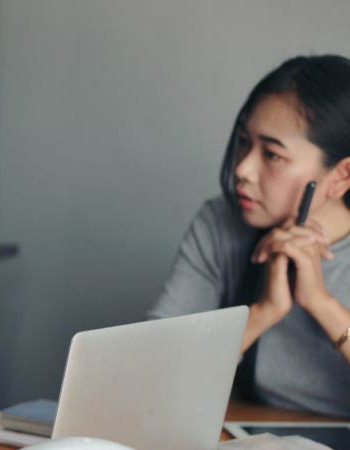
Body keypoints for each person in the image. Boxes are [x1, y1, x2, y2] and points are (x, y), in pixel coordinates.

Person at [150, 55, 350, 415]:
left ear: (341, 176)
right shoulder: (221, 224)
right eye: (244, 142)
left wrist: (323, 304)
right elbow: (153, 378)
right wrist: (263, 313)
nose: (243, 168)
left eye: (272, 155)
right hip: (249, 444)